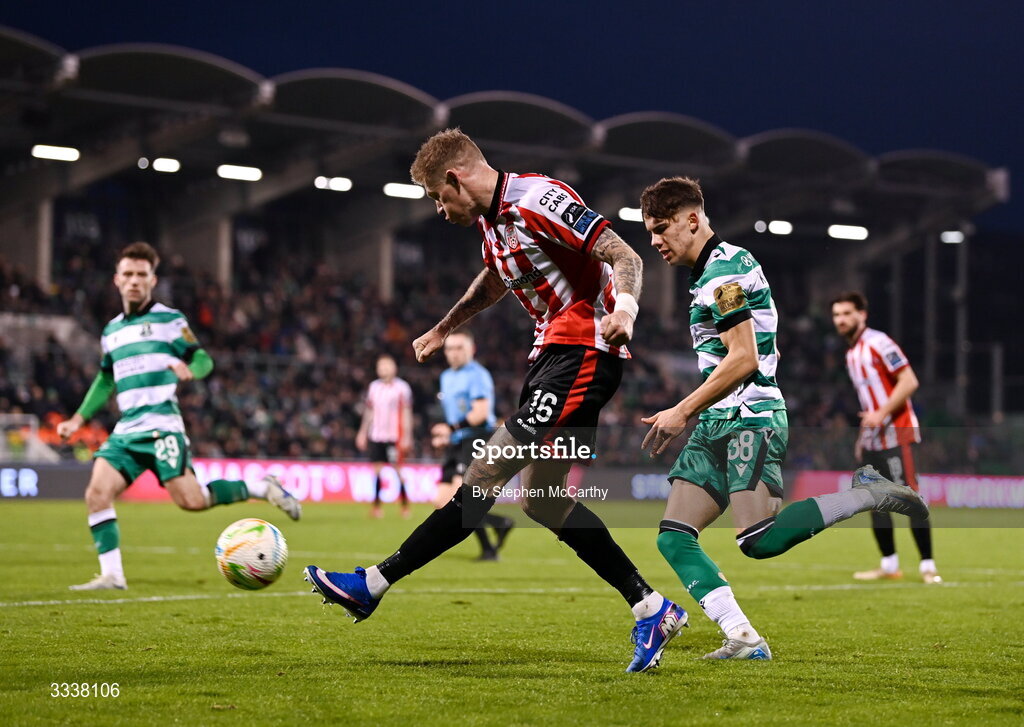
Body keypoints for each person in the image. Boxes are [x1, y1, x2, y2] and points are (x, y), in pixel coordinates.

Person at [306, 128, 685, 673]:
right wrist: (444, 328)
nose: (439, 208)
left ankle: (372, 583)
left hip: (583, 354)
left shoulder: (539, 199)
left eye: (439, 195)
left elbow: (623, 254)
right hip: (551, 360)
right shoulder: (491, 227)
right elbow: (494, 281)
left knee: (483, 476)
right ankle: (652, 608)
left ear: (457, 178)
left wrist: (624, 310)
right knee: (544, 502)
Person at [637, 177, 929, 660]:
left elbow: (745, 357)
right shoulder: (709, 272)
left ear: (692, 220)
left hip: (750, 416)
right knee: (674, 538)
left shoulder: (724, 274)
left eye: (661, 228)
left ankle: (870, 493)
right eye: (650, 231)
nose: (654, 241)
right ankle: (744, 638)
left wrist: (681, 410)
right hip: (717, 421)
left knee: (759, 540)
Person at [58, 242, 300, 591]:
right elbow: (105, 379)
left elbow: (204, 359)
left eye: (141, 275)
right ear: (116, 280)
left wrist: (189, 368)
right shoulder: (111, 331)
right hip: (126, 429)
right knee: (96, 494)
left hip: (162, 426)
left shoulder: (170, 320)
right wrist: (77, 420)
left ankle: (262, 487)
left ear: (152, 280)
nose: (134, 281)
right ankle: (112, 575)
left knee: (191, 500)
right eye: (128, 274)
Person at [831, 292, 940, 584]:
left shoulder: (879, 343)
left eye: (846, 313)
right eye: (836, 315)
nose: (840, 320)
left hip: (897, 432)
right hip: (873, 438)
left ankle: (928, 566)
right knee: (873, 500)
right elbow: (869, 402)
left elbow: (909, 381)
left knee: (909, 497)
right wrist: (863, 435)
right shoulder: (852, 353)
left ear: (862, 315)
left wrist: (880, 414)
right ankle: (889, 565)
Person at [433, 330, 514, 560]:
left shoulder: (478, 375)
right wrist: (447, 434)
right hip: (457, 442)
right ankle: (499, 523)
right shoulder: (446, 376)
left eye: (459, 348)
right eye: (449, 348)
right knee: (441, 503)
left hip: (476, 439)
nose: (454, 353)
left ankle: (488, 549)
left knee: (462, 498)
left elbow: (479, 414)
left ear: (472, 349)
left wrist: (450, 429)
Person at [356, 355, 413, 518]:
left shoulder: (402, 388)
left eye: (387, 365)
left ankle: (405, 506)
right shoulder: (373, 387)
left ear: (394, 367)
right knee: (377, 470)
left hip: (394, 437)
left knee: (398, 470)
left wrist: (407, 436)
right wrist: (362, 432)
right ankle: (376, 507)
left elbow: (406, 413)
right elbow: (369, 412)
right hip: (376, 435)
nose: (384, 368)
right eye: (381, 365)